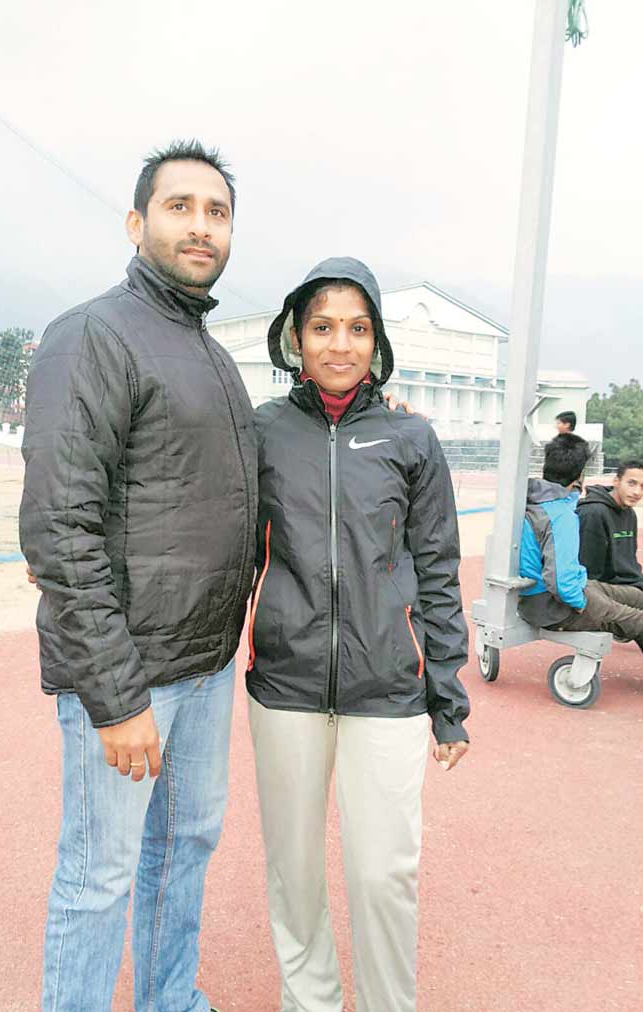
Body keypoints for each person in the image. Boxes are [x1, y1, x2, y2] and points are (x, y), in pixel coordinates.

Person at [19, 140, 257, 1012]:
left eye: (217, 212)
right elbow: (60, 528)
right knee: (99, 874)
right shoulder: (92, 335)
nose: (200, 226)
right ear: (137, 222)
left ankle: (169, 1000)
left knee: (184, 848)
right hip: (126, 677)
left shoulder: (213, 355)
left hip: (204, 668)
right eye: (180, 206)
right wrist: (114, 698)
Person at [246, 258, 470, 1012]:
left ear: (375, 342)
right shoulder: (262, 431)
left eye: (356, 327)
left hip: (388, 689)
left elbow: (437, 567)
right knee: (293, 870)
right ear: (295, 339)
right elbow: (222, 542)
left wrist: (447, 695)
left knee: (383, 873)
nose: (339, 344)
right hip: (285, 688)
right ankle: (307, 1000)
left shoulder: (410, 436)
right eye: (322, 327)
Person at [518, 434, 643, 650]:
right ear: (579, 475)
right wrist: (584, 604)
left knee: (637, 598)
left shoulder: (534, 498)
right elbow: (561, 583)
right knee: (636, 620)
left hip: (560, 589)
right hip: (551, 604)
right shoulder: (560, 515)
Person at [578, 458, 643, 589]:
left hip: (631, 584)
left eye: (642, 487)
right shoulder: (593, 512)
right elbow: (589, 570)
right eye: (631, 483)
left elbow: (629, 562)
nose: (637, 492)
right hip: (605, 589)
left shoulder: (629, 513)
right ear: (616, 481)